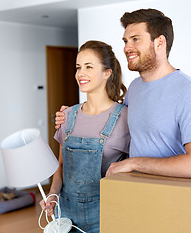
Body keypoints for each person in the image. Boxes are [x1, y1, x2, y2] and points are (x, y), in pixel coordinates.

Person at [55, 8, 191, 179]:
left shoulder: (190, 92)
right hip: (134, 192)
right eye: (125, 41)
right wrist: (73, 115)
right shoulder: (135, 87)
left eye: (135, 39)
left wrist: (134, 163)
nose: (127, 48)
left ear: (159, 43)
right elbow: (112, 120)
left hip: (170, 196)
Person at [40, 40, 130, 232]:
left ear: (107, 72)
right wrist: (52, 195)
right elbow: (61, 166)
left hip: (105, 216)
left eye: (89, 67)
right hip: (66, 217)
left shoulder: (125, 118)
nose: (81, 73)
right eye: (78, 67)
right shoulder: (67, 116)